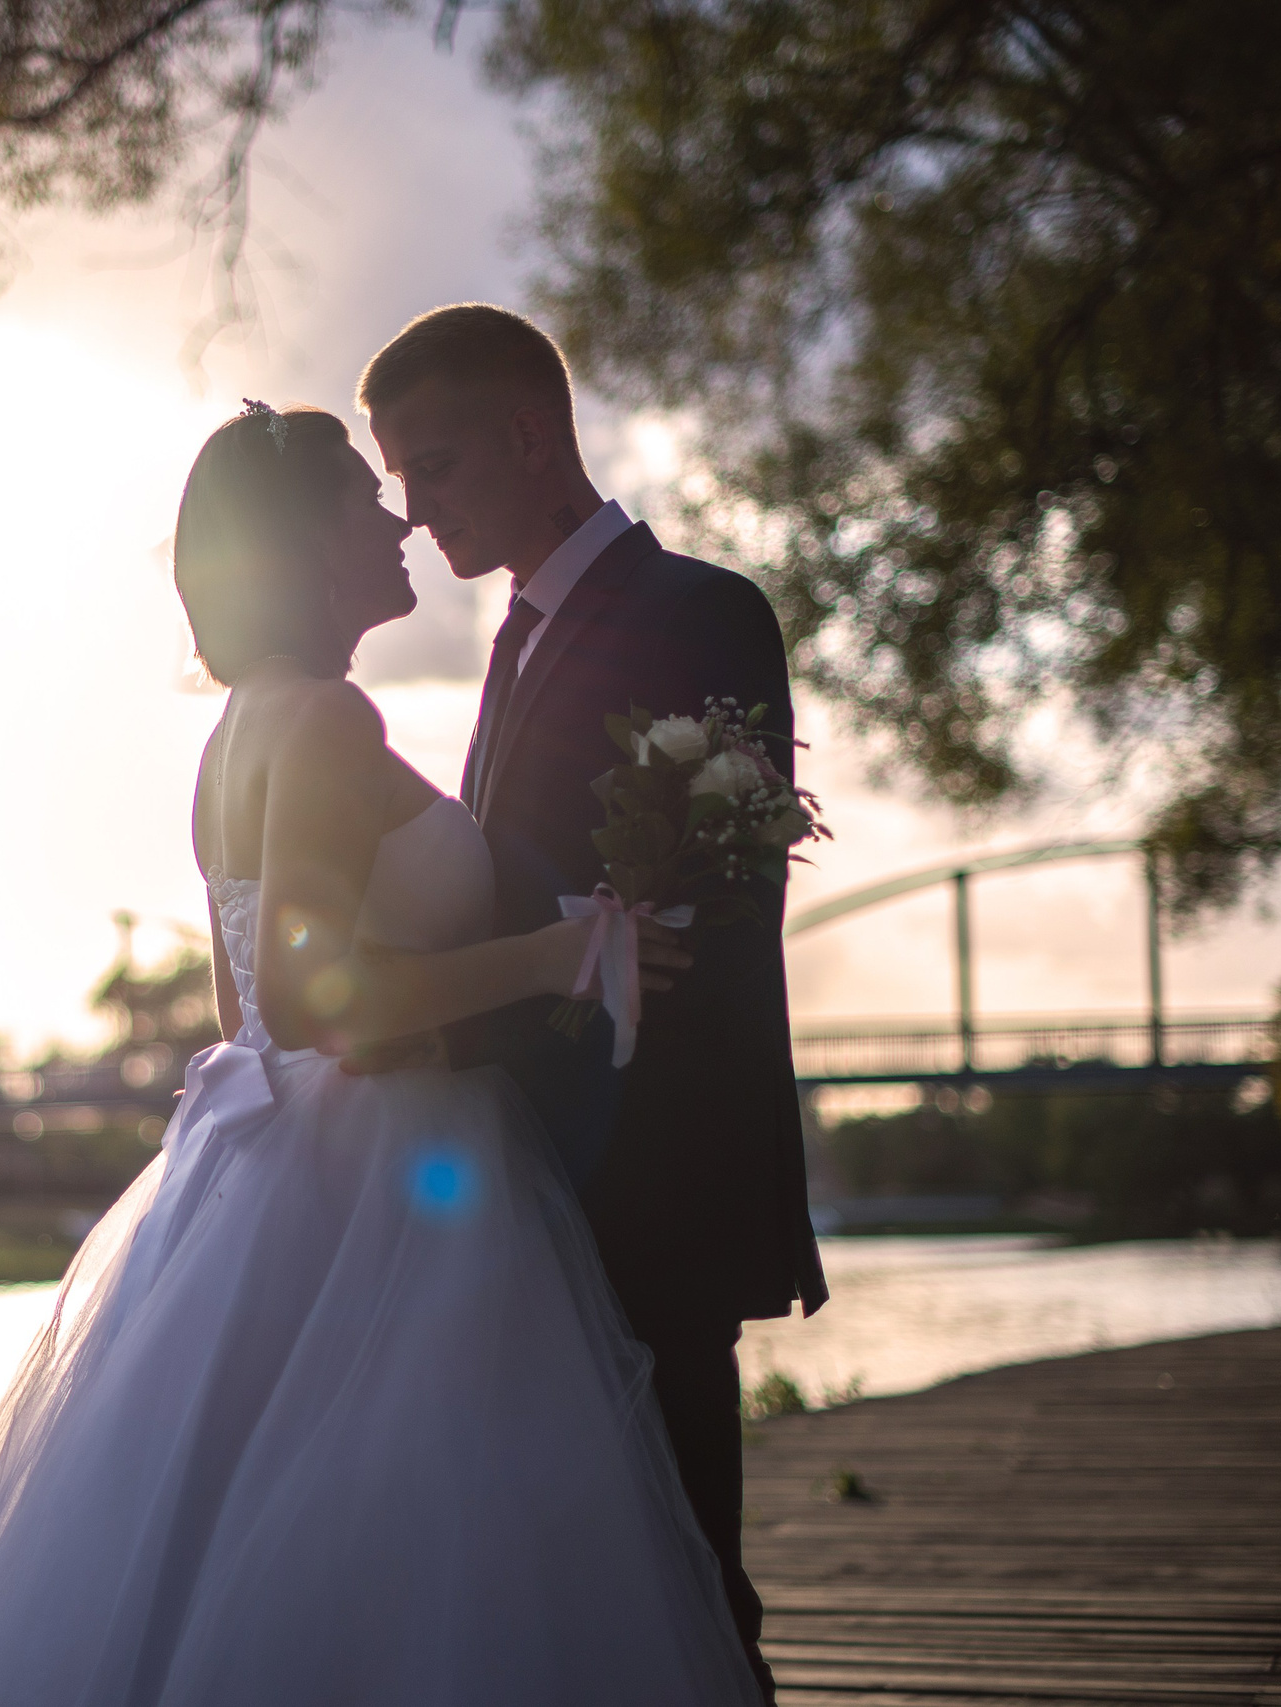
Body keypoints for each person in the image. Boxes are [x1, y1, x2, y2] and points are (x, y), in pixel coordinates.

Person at [0, 402, 762, 1707]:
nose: (395, 519)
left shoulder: (239, 730)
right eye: (359, 496)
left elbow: (244, 1019)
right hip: (387, 1189)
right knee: (417, 1541)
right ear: (301, 547)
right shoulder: (326, 722)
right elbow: (310, 1000)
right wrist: (557, 958)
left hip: (273, 1170)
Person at [361, 303, 829, 1699]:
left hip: (655, 1178)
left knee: (692, 1573)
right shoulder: (516, 635)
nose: (413, 509)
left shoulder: (699, 610)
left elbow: (722, 912)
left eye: (433, 467)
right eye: (396, 480)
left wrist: (538, 965)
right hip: (537, 1177)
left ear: (524, 431)